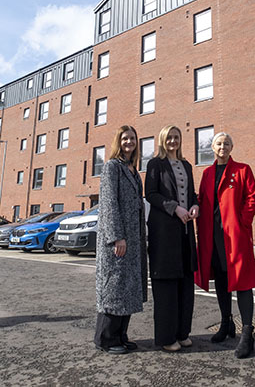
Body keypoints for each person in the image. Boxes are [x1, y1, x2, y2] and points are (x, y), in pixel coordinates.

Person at [195, 132, 255, 358]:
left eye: (227, 143)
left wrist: (242, 221)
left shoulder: (243, 170)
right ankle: (226, 322)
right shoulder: (207, 173)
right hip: (213, 236)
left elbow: (252, 197)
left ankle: (247, 332)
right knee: (221, 279)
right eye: (219, 144)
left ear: (232, 147)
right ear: (213, 147)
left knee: (242, 282)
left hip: (235, 236)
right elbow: (202, 200)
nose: (223, 147)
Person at [145, 125, 199, 352]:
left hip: (185, 233)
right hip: (164, 233)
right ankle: (167, 337)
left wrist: (195, 205)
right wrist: (175, 208)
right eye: (169, 138)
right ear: (162, 140)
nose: (173, 141)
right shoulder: (155, 164)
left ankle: (182, 333)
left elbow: (192, 194)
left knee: (186, 282)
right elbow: (151, 194)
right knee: (166, 285)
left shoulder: (187, 165)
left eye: (176, 138)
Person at [94, 126, 148, 355]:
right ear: (119, 141)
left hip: (133, 239)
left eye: (132, 138)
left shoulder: (133, 170)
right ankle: (105, 339)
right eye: (125, 138)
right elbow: (109, 203)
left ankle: (120, 336)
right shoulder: (112, 167)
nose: (129, 142)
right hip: (118, 240)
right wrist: (117, 237)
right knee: (114, 289)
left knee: (128, 289)